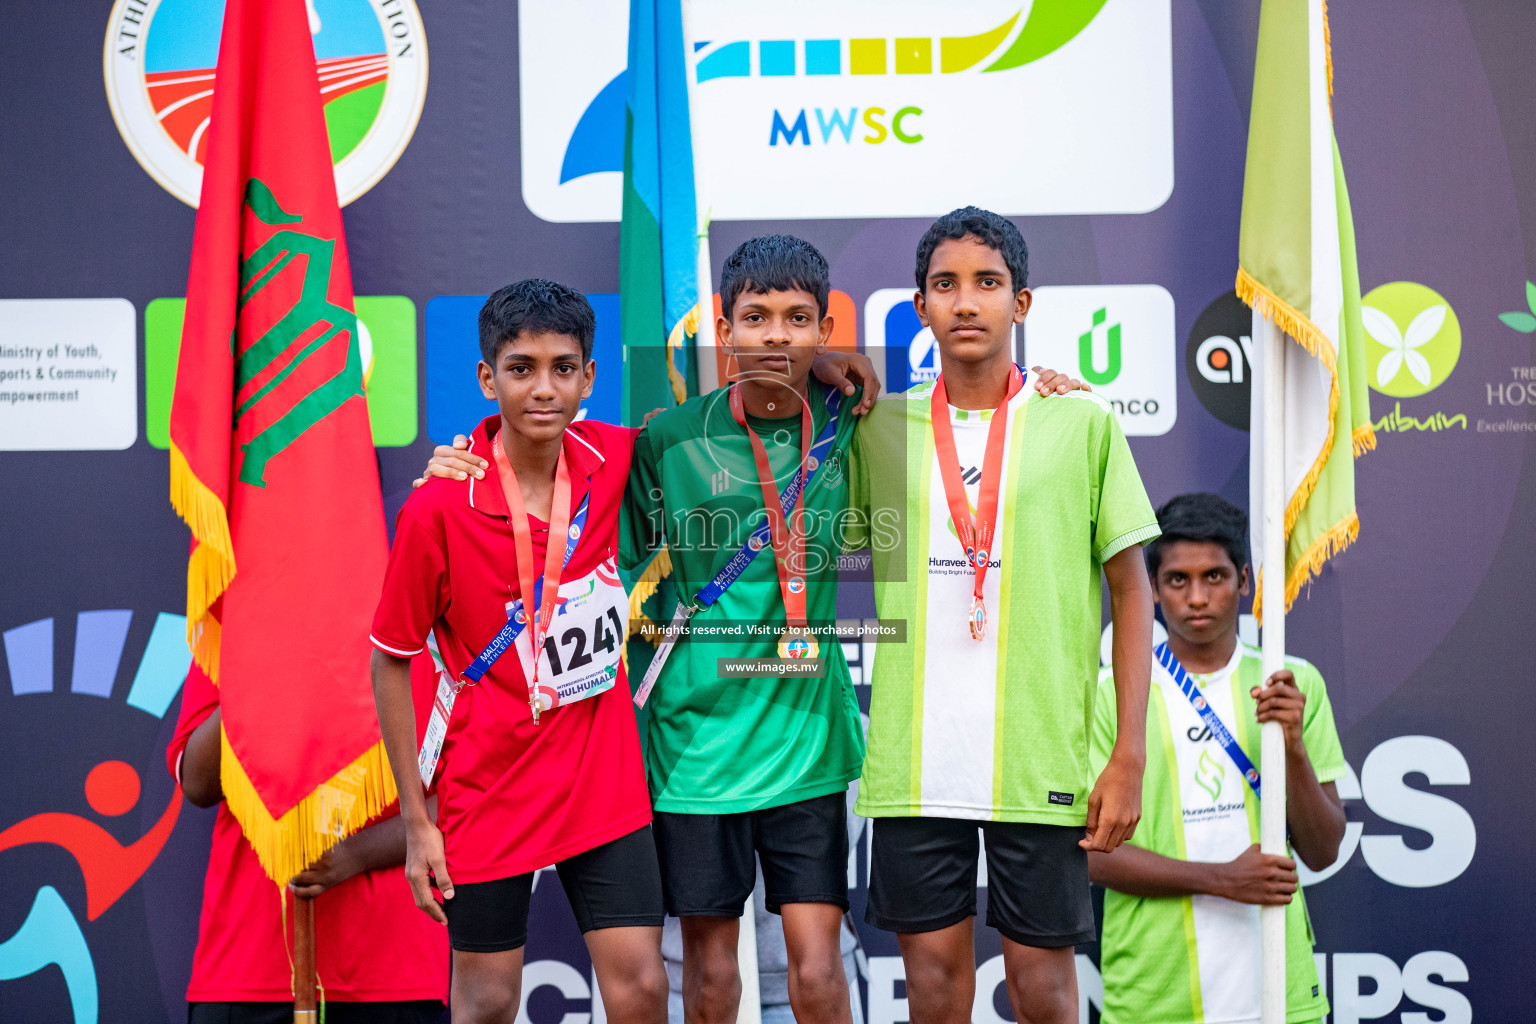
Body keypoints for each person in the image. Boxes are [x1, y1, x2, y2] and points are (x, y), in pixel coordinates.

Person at [845, 207, 1159, 1024]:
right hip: (917, 761)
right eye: (945, 285)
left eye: (988, 283)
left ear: (1022, 302)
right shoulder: (879, 428)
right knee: (936, 991)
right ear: (920, 306)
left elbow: (1131, 590)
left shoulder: (1079, 421)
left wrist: (1127, 752)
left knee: (1045, 992)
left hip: (1041, 754)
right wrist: (825, 365)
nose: (967, 302)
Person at [369, 279, 669, 1024]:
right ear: (486, 377)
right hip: (489, 782)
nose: (544, 388)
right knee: (487, 1000)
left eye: (564, 368)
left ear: (590, 377)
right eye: (521, 368)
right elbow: (389, 657)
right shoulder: (439, 504)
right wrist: (416, 820)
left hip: (600, 775)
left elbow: (728, 420)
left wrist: (831, 367)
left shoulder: (615, 458)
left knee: (641, 988)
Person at [1088, 493, 1347, 1024]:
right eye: (1178, 580)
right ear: (1154, 591)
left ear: (1245, 581)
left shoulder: (1290, 684)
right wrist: (1221, 879)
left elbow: (1321, 850)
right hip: (1154, 998)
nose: (1198, 597)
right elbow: (1092, 854)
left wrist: (1292, 747)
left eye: (1215, 576)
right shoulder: (1112, 695)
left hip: (1281, 994)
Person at [169, 661, 449, 1024]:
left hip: (393, 969)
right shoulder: (241, 611)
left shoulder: (422, 613)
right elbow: (197, 780)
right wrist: (270, 655)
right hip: (248, 967)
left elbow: (471, 792)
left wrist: (356, 854)